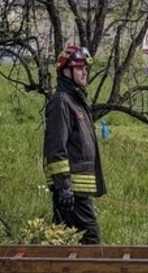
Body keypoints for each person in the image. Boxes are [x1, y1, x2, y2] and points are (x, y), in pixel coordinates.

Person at [43, 45, 106, 244]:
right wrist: (64, 187)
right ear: (66, 72)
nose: (84, 72)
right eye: (79, 68)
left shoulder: (76, 100)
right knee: (90, 239)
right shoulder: (61, 102)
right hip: (72, 191)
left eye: (85, 68)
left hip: (79, 191)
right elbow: (56, 149)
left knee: (67, 241)